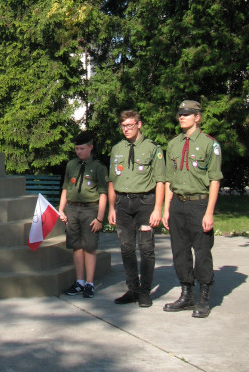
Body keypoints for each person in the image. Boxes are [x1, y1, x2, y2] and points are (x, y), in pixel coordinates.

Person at [162, 100, 222, 318]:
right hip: (177, 203)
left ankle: (203, 297)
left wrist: (209, 212)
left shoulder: (209, 144)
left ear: (198, 117)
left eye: (187, 114)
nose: (182, 117)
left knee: (202, 251)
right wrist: (166, 208)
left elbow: (215, 180)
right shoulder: (173, 144)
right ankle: (186, 295)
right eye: (180, 113)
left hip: (199, 204)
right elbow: (169, 179)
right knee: (179, 251)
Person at [108, 110, 165, 307]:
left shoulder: (152, 149)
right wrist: (111, 208)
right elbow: (112, 180)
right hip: (122, 203)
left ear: (139, 125)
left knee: (146, 248)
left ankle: (145, 291)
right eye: (123, 126)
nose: (126, 129)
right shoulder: (117, 149)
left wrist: (158, 208)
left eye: (130, 125)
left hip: (145, 203)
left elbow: (160, 181)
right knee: (126, 247)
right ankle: (132, 288)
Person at [59, 131, 108, 299]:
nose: (78, 152)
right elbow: (66, 188)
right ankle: (79, 281)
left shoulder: (98, 167)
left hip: (90, 210)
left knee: (89, 247)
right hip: (72, 209)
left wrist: (100, 218)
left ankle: (89, 283)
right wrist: (61, 209)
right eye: (76, 149)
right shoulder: (71, 165)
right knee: (76, 246)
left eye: (82, 148)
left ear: (90, 148)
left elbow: (103, 193)